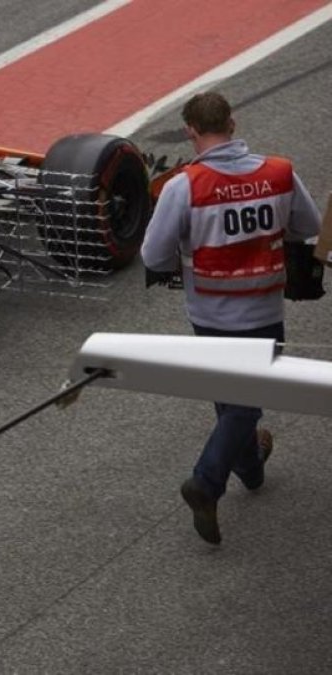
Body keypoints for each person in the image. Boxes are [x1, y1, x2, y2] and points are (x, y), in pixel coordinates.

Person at [141, 91, 323, 545]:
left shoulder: (183, 186)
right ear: (232, 124)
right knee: (244, 404)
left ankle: (244, 470)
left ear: (190, 131)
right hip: (263, 310)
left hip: (209, 314)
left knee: (233, 401)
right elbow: (309, 226)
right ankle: (211, 481)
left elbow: (153, 255)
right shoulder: (279, 173)